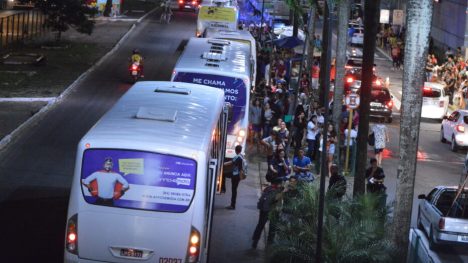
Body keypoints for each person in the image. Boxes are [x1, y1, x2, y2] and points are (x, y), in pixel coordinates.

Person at [252, 177, 283, 249]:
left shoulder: (268, 188)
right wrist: (282, 192)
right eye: (281, 183)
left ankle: (255, 241)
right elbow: (275, 199)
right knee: (272, 227)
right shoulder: (277, 190)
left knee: (260, 225)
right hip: (271, 211)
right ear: (279, 184)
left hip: (263, 210)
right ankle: (270, 243)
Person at [223, 145, 244, 210]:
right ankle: (232, 205)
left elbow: (231, 163)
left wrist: (223, 164)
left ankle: (232, 205)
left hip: (235, 175)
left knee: (234, 190)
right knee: (234, 190)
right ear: (240, 150)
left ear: (235, 150)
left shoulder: (237, 157)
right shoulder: (241, 156)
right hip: (237, 175)